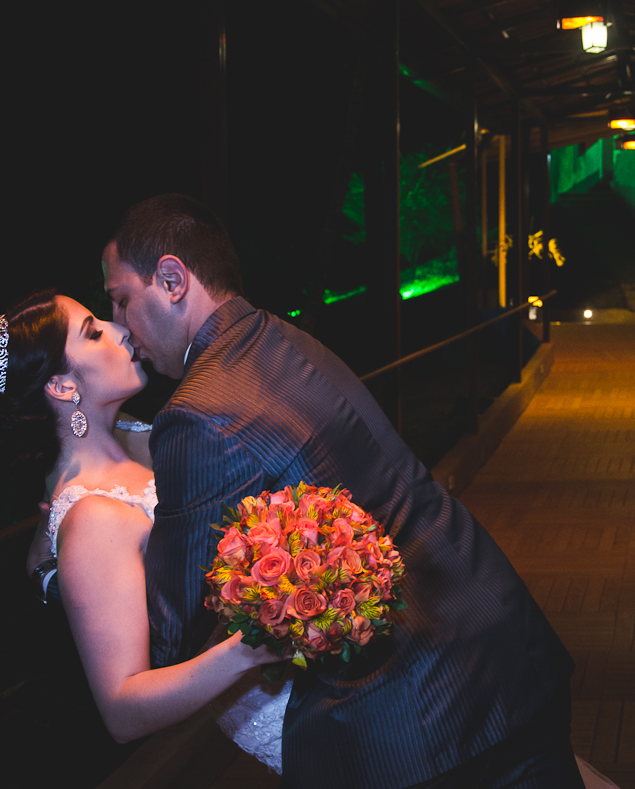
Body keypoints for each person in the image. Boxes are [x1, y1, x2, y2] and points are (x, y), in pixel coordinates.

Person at [103, 193, 586, 789]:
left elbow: (171, 631)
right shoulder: (283, 338)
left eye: (122, 299)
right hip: (504, 639)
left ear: (172, 280)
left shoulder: (196, 412)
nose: (123, 326)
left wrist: (82, 540)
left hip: (419, 718)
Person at [0, 290, 288, 763]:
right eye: (94, 332)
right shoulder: (92, 520)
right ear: (62, 386)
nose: (121, 330)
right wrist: (251, 648)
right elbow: (122, 713)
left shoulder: (134, 439)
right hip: (274, 699)